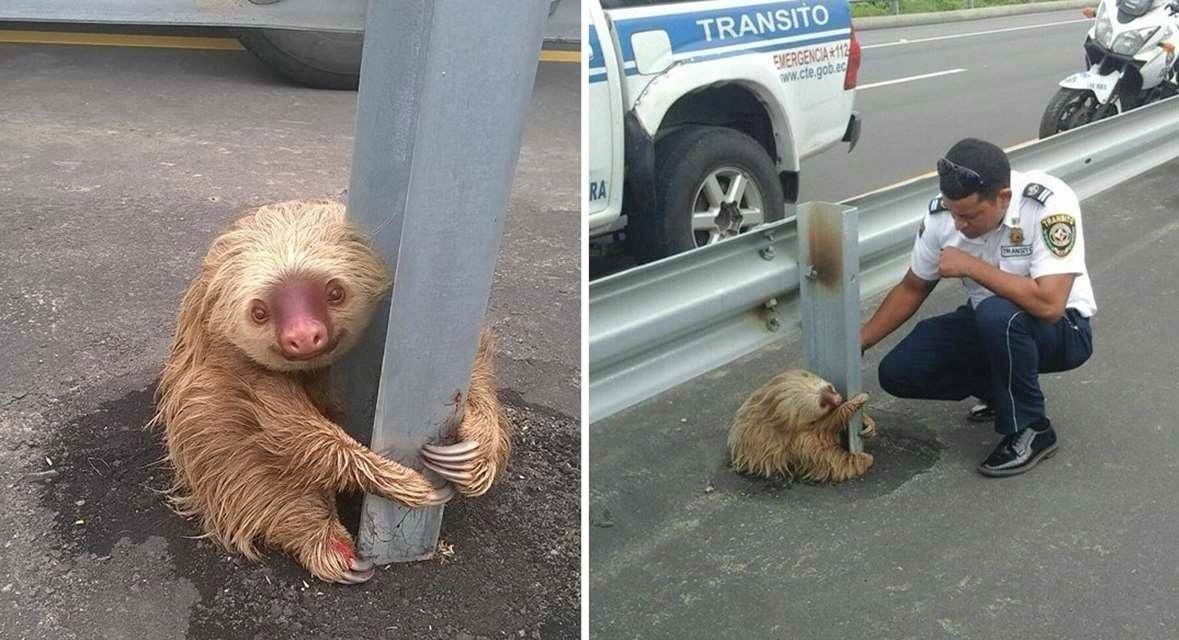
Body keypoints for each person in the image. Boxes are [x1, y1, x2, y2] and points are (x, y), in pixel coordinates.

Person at [859, 137, 1095, 477]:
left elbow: (1050, 304)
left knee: (998, 314)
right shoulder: (944, 216)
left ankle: (1032, 427)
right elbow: (912, 287)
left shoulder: (1047, 203)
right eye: (954, 213)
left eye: (969, 216)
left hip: (1063, 330)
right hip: (992, 324)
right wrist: (861, 341)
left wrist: (971, 266)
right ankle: (999, 392)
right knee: (900, 371)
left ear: (1003, 198)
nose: (959, 225)